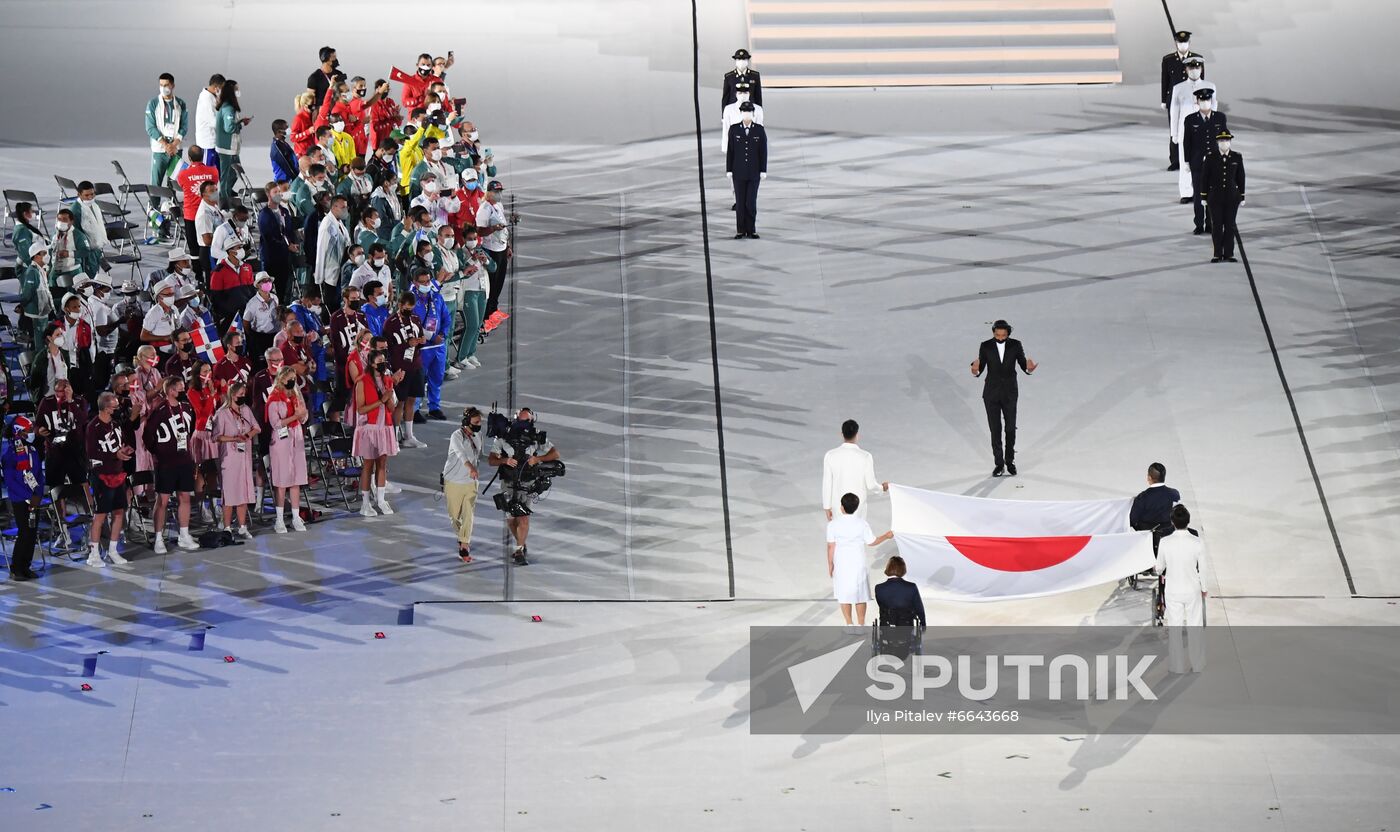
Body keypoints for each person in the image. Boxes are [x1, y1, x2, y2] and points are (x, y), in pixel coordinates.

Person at [487, 408, 561, 565]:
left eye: (526, 421)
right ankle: (521, 541)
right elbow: (491, 460)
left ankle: (519, 549)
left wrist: (538, 459)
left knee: (524, 517)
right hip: (508, 482)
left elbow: (555, 454)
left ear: (531, 421)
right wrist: (504, 461)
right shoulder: (503, 435)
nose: (522, 424)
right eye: (520, 420)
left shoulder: (536, 436)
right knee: (511, 519)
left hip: (527, 482)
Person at [970, 319, 1037, 477]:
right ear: (993, 332)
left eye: (1003, 335)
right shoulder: (985, 346)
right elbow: (980, 367)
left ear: (1008, 334)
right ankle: (999, 464)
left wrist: (1029, 368)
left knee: (1010, 428)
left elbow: (1022, 363)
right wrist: (974, 369)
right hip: (991, 394)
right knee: (995, 429)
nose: (1000, 337)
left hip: (1009, 393)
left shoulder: (1015, 345)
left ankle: (1010, 461)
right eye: (997, 334)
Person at [144, 375, 201, 553]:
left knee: (185, 497)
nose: (184, 391)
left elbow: (190, 429)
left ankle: (184, 535)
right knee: (163, 500)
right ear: (170, 391)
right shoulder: (159, 409)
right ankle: (159, 538)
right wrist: (159, 452)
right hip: (166, 462)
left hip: (184, 459)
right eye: (180, 388)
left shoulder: (186, 407)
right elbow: (148, 435)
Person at [35, 378, 91, 546]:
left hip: (75, 453)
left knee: (83, 488)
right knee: (56, 492)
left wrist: (71, 401)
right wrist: (41, 431)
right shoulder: (47, 402)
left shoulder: (80, 401)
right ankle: (63, 530)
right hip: (55, 453)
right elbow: (37, 426)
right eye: (58, 392)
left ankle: (92, 526)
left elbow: (82, 420)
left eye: (64, 392)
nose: (61, 395)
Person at [826, 493, 894, 627]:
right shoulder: (862, 524)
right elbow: (872, 542)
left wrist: (830, 564)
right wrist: (886, 536)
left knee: (844, 592)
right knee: (860, 594)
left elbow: (830, 546)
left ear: (841, 507)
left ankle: (849, 624)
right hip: (858, 562)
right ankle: (861, 625)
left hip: (841, 562)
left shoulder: (833, 525)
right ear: (856, 507)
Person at [1154, 504, 1209, 672]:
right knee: (1195, 628)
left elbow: (1159, 568)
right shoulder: (1197, 542)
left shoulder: (1164, 542)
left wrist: (1160, 568)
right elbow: (1203, 569)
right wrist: (1204, 588)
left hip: (1173, 590)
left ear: (1172, 522)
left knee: (1175, 629)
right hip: (1192, 589)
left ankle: (1177, 666)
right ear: (1188, 521)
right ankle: (1197, 664)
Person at [85, 392, 134, 567]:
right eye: (114, 406)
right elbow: (92, 453)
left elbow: (119, 446)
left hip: (118, 473)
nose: (117, 409)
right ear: (106, 408)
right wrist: (114, 454)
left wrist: (125, 450)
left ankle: (113, 550)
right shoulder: (93, 427)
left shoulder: (116, 425)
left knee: (119, 512)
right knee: (100, 515)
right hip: (101, 476)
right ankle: (94, 553)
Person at [353, 350, 401, 516]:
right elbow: (361, 409)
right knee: (368, 466)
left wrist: (389, 399)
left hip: (385, 426)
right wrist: (380, 401)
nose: (383, 363)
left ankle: (381, 500)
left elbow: (392, 408)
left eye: (384, 360)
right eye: (380, 360)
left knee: (382, 463)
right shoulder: (362, 381)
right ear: (372, 364)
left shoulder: (388, 380)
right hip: (369, 427)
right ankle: (365, 503)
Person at [212, 381, 258, 538]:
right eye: (240, 395)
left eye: (244, 395)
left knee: (243, 492)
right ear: (232, 395)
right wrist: (234, 438)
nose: (243, 397)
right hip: (229, 458)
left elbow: (256, 427)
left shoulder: (245, 410)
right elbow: (216, 437)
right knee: (230, 493)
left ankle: (242, 526)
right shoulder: (222, 413)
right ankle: (227, 527)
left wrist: (247, 436)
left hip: (244, 457)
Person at [266, 366, 309, 533]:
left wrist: (302, 415)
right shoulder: (274, 398)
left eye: (294, 378)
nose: (293, 381)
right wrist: (295, 416)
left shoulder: (296, 394)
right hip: (281, 441)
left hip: (296, 437)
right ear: (281, 379)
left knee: (296, 479)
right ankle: (279, 519)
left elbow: (304, 416)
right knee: (282, 480)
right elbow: (275, 423)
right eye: (290, 378)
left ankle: (296, 517)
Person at [1182, 88, 1229, 236]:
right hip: (1197, 163)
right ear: (1197, 102)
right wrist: (1187, 161)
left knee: (1213, 195)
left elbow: (1224, 139)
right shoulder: (1190, 120)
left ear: (1212, 101)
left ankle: (1210, 223)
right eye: (1202, 100)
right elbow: (1187, 142)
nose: (1205, 102)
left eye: (1207, 100)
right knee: (1198, 195)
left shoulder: (1220, 118)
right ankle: (1199, 224)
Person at [1169, 57, 1217, 204]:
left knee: (1207, 163)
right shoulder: (1179, 88)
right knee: (1185, 163)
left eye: (1197, 68)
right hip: (1186, 131)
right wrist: (1174, 134)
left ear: (1201, 69)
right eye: (1191, 68)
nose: (1194, 70)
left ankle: (1206, 191)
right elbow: (1174, 112)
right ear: (1186, 70)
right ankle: (1186, 192)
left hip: (1205, 132)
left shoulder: (1210, 86)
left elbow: (1214, 108)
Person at [2, 417, 44, 581]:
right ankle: (16, 568)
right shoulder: (10, 455)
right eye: (28, 430)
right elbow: (11, 481)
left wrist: (38, 494)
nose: (32, 432)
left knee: (32, 532)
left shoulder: (33, 450)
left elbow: (39, 474)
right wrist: (28, 497)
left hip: (34, 499)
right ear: (19, 432)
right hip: (20, 500)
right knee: (25, 532)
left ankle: (26, 566)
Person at [821, 419, 888, 520]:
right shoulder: (865, 456)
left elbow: (827, 484)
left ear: (842, 434)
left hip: (838, 507)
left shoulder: (830, 455)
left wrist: (827, 507)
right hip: (858, 508)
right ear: (857, 435)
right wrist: (882, 489)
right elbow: (870, 485)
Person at [384, 290, 427, 447]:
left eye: (411, 308)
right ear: (400, 305)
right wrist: (406, 345)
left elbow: (420, 337)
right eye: (406, 308)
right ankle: (393, 438)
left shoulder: (415, 319)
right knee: (399, 403)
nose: (409, 311)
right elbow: (388, 349)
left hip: (416, 365)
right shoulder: (391, 323)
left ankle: (409, 436)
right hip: (400, 367)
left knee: (412, 400)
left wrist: (421, 341)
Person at [442, 407, 484, 562]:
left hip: (470, 482)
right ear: (467, 422)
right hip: (453, 480)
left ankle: (464, 545)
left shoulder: (478, 435)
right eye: (476, 422)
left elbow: (479, 456)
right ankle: (462, 537)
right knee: (454, 516)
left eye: (480, 422)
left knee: (468, 514)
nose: (479, 425)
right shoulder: (456, 436)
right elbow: (460, 454)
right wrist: (470, 467)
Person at [174, 147, 220, 282]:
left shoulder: (182, 175)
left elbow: (182, 185)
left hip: (191, 215)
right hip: (209, 214)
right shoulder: (213, 171)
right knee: (209, 245)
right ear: (203, 156)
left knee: (194, 249)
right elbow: (213, 185)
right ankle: (212, 276)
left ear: (189, 158)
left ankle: (199, 278)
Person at [410, 268, 450, 420]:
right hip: (422, 347)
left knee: (437, 377)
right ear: (415, 283)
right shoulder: (411, 301)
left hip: (438, 347)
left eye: (428, 281)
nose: (427, 284)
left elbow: (446, 318)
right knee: (420, 379)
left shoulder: (437, 297)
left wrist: (442, 334)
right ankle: (414, 409)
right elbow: (412, 324)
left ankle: (434, 407)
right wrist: (432, 337)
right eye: (423, 282)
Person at [145, 72, 188, 215]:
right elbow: (150, 127)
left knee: (174, 182)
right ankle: (154, 212)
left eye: (166, 85)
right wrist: (166, 145)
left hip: (176, 149)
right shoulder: (153, 104)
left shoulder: (180, 103)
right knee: (156, 183)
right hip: (160, 150)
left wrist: (174, 144)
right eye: (161, 85)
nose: (164, 88)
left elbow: (184, 126)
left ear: (173, 86)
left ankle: (173, 211)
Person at [1160, 31, 1203, 170]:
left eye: (1184, 43)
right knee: (1175, 129)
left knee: (1194, 129)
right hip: (1175, 100)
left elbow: (1201, 81)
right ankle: (1175, 160)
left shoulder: (1197, 58)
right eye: (1180, 43)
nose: (1182, 45)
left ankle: (1193, 157)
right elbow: (1165, 81)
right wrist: (1163, 100)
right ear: (1176, 43)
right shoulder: (1168, 60)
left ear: (1189, 43)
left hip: (1192, 100)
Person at [1202, 130, 1246, 263]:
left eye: (1226, 141)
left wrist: (1242, 195)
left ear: (1230, 142)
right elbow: (1204, 178)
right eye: (1222, 141)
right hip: (1215, 197)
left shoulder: (1237, 157)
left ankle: (1229, 253)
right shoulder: (1210, 157)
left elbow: (1241, 177)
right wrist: (1203, 196)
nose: (1224, 143)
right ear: (1217, 142)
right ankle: (1217, 253)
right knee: (1217, 225)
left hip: (1232, 197)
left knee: (1230, 225)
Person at [725, 102, 767, 239]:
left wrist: (763, 170)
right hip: (738, 172)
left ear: (753, 113)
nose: (746, 114)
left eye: (749, 112)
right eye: (744, 112)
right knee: (740, 202)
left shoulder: (759, 130)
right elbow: (730, 151)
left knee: (751, 202)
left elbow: (763, 152)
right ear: (741, 113)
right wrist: (729, 169)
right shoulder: (734, 129)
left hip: (754, 173)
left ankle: (751, 229)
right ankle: (740, 230)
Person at [451, 230, 489, 370]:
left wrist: (486, 260)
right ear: (464, 239)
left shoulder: (481, 251)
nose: (473, 241)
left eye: (475, 238)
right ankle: (460, 358)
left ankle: (471, 353)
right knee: (471, 325)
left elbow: (493, 267)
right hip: (468, 292)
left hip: (482, 291)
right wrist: (473, 258)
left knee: (478, 325)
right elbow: (462, 270)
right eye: (470, 238)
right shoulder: (460, 253)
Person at [475, 180, 512, 321]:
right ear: (488, 193)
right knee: (492, 282)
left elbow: (504, 228)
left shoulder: (498, 205)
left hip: (501, 247)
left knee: (500, 281)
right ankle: (486, 315)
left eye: (500, 192)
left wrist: (507, 246)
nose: (499, 195)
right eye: (496, 192)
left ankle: (494, 309)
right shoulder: (484, 209)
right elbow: (479, 231)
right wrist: (492, 229)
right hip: (491, 249)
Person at [258, 180, 299, 300]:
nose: (279, 194)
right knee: (269, 288)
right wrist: (286, 246)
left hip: (284, 257)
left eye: (279, 192)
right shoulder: (264, 214)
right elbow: (269, 237)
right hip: (271, 257)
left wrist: (292, 243)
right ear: (268, 194)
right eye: (275, 192)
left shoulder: (284, 211)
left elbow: (289, 231)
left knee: (283, 287)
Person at [214, 79, 252, 207]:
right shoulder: (228, 108)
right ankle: (224, 203)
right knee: (226, 176)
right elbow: (229, 128)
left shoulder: (227, 107)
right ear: (231, 91)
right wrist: (241, 124)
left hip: (230, 148)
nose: (238, 91)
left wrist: (240, 122)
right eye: (236, 89)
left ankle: (225, 196)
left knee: (235, 174)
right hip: (227, 149)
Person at [1130, 461, 1182, 549]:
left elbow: (1132, 520)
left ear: (1149, 477)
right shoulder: (1174, 494)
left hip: (1148, 540)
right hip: (1168, 537)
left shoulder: (1142, 497)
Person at [315, 195, 352, 310]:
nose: (346, 210)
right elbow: (321, 251)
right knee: (331, 305)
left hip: (340, 270)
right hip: (331, 274)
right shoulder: (327, 226)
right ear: (334, 207)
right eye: (343, 207)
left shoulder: (339, 222)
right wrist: (319, 278)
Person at [18, 240, 55, 351]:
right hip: (36, 314)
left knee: (43, 342)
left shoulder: (41, 270)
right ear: (36, 256)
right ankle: (37, 365)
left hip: (42, 312)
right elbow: (27, 293)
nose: (46, 256)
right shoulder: (32, 272)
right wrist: (22, 305)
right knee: (39, 344)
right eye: (44, 253)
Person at [874, 555, 925, 628]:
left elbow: (882, 607)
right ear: (903, 569)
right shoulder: (911, 587)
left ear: (888, 568)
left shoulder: (879, 588)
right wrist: (923, 624)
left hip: (886, 628)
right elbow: (919, 609)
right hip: (906, 628)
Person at [720, 81, 764, 153]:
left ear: (749, 94)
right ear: (736, 94)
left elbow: (760, 132)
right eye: (740, 93)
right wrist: (725, 148)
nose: (743, 96)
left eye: (745, 93)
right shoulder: (729, 109)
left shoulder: (758, 109)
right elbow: (726, 129)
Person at [195, 74, 225, 168]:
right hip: (207, 143)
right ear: (216, 87)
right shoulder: (206, 99)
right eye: (222, 88)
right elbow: (214, 122)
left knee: (216, 172)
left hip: (214, 142)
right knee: (207, 172)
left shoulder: (212, 96)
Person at [194, 180, 223, 274]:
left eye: (216, 190)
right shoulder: (204, 214)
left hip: (215, 249)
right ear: (203, 195)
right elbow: (207, 240)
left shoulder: (213, 205)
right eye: (211, 191)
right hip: (209, 253)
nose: (215, 193)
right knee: (213, 283)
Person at [308, 46, 343, 116]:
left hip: (338, 112)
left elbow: (344, 92)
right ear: (325, 59)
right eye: (333, 57)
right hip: (322, 113)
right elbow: (309, 100)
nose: (336, 59)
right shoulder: (314, 77)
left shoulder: (339, 74)